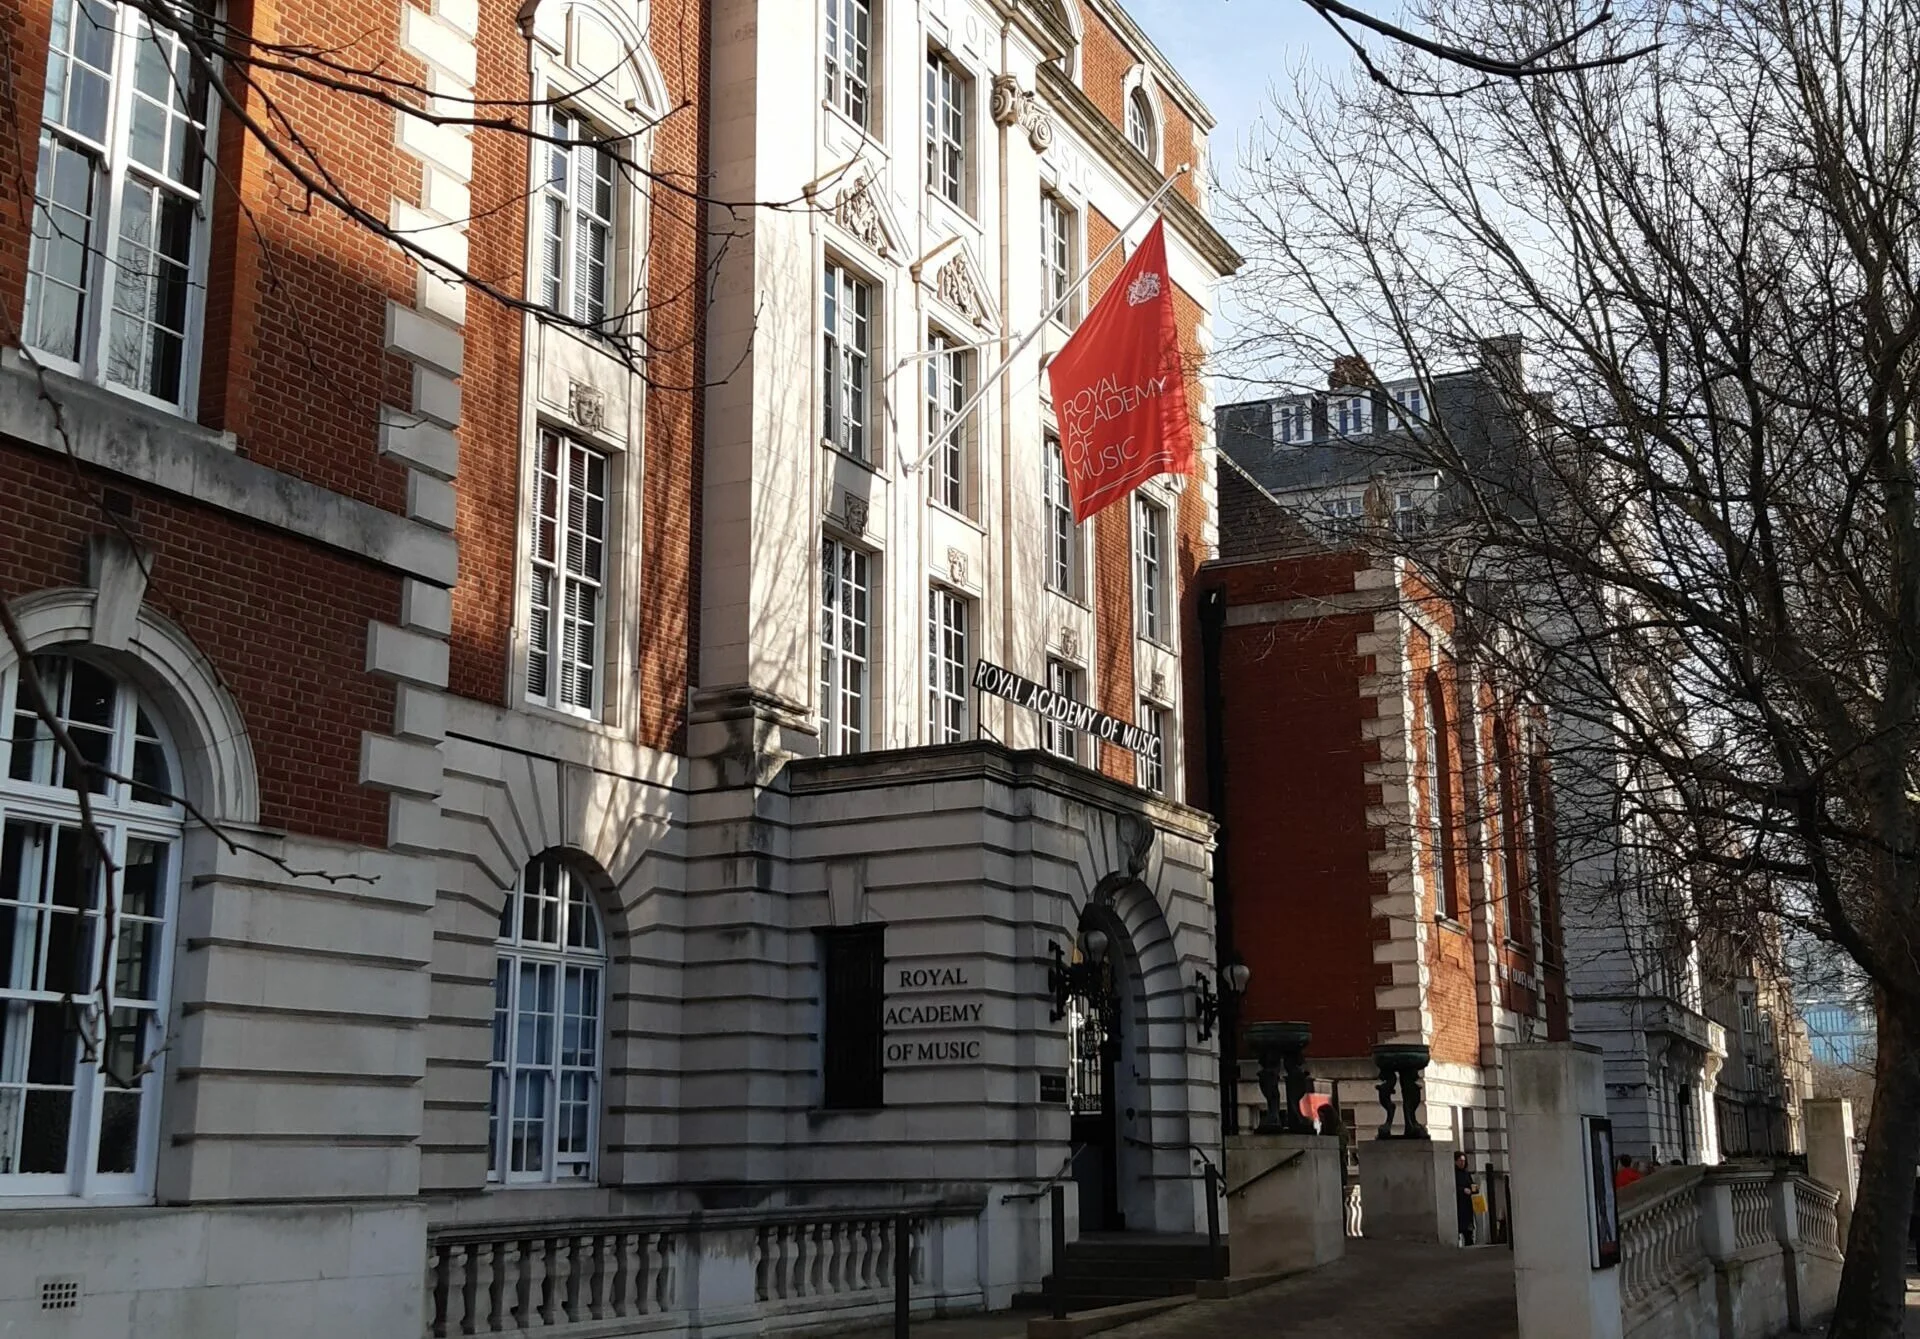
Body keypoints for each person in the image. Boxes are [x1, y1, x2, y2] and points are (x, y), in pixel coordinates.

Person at [1454, 1151, 1478, 1247]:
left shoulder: (1466, 1173)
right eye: (1460, 1161)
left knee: (1468, 1230)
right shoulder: (1454, 1173)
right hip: (1459, 1204)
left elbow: (1471, 1184)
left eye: (1463, 1161)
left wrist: (1475, 1189)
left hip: (1467, 1204)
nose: (1462, 1163)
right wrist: (1463, 1190)